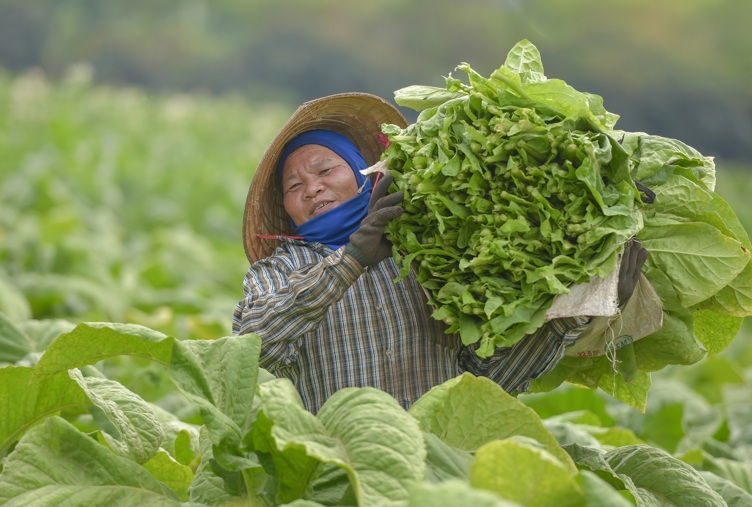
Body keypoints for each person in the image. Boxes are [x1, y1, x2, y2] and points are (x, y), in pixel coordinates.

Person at [233, 92, 647, 414]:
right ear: (286, 208)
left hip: (443, 462)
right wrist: (352, 259)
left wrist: (577, 310)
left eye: (325, 170)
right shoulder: (280, 270)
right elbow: (255, 346)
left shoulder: (425, 250)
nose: (312, 188)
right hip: (345, 473)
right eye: (294, 186)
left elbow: (487, 379)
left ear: (364, 173)